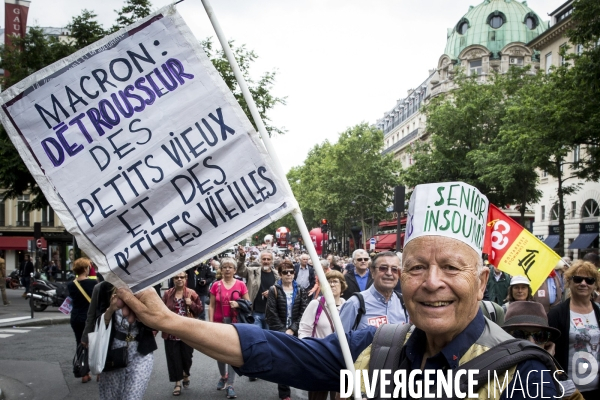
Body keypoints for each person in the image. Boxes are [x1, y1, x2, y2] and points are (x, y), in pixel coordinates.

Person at [116, 182, 558, 399]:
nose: (432, 282)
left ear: (482, 282)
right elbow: (273, 351)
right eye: (417, 267)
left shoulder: (526, 378)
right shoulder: (375, 349)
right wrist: (169, 321)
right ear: (401, 277)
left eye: (451, 268)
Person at [502, 301, 582, 399]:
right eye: (520, 335)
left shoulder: (555, 370)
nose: (531, 342)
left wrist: (548, 362)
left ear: (547, 342)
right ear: (505, 337)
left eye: (540, 336)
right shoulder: (493, 368)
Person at [548, 260, 600, 399]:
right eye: (578, 279)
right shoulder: (557, 314)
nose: (583, 283)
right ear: (569, 282)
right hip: (569, 392)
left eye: (589, 280)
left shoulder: (598, 311)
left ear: (595, 285)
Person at [299, 270, 347, 400]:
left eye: (335, 282)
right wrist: (308, 352)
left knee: (340, 396)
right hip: (320, 359)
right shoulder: (316, 304)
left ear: (342, 285)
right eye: (328, 282)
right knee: (317, 396)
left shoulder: (347, 306)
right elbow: (304, 330)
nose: (332, 285)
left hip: (341, 361)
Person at [265, 260, 309, 400]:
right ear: (280, 274)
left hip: (296, 331)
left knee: (296, 359)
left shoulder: (301, 290)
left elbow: (304, 312)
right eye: (285, 272)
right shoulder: (274, 290)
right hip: (280, 331)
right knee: (282, 361)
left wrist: (293, 329)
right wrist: (284, 330)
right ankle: (284, 393)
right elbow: (271, 313)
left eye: (291, 272)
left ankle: (298, 383)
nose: (289, 274)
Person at [209, 257, 250, 399]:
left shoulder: (240, 284)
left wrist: (238, 305)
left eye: (230, 267)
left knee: (232, 353)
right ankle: (223, 376)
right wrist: (210, 323)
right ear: (221, 269)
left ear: (235, 270)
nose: (227, 269)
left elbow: (248, 303)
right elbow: (212, 305)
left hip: (235, 323)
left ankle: (231, 384)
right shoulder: (216, 285)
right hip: (219, 323)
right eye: (225, 267)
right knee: (219, 352)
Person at [339, 251, 407, 332]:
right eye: (383, 268)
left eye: (394, 269)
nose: (389, 273)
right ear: (372, 272)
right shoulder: (355, 304)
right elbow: (339, 340)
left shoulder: (404, 302)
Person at [162, 271, 203, 395]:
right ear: (173, 279)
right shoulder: (167, 294)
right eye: (176, 277)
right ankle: (177, 383)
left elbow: (200, 310)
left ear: (186, 279)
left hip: (187, 331)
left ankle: (186, 373)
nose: (179, 279)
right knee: (174, 358)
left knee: (187, 357)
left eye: (181, 277)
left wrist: (192, 304)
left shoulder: (192, 293)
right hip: (171, 331)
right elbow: (161, 311)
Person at [67, 258, 98, 383]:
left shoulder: (71, 284)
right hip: (89, 318)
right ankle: (99, 372)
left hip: (75, 317)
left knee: (80, 343)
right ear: (86, 269)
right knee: (95, 344)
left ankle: (84, 373)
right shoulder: (93, 283)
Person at [236, 248, 279, 329]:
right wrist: (242, 256)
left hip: (271, 313)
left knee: (269, 337)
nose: (266, 261)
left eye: (268, 259)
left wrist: (272, 293)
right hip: (255, 312)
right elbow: (240, 271)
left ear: (272, 261)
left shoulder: (277, 275)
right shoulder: (253, 271)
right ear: (260, 260)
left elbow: (282, 292)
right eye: (264, 259)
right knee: (257, 336)